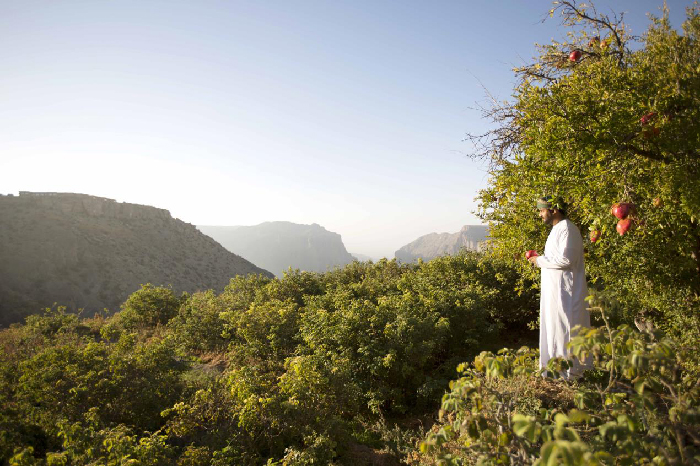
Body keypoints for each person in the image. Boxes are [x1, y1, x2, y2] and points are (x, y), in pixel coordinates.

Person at [528, 196, 590, 378]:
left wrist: (538, 260)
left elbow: (566, 260)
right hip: (555, 292)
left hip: (567, 293)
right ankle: (555, 370)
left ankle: (570, 374)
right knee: (554, 330)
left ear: (553, 210)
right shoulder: (557, 230)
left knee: (566, 330)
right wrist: (540, 259)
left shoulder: (568, 229)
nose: (540, 214)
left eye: (542, 210)